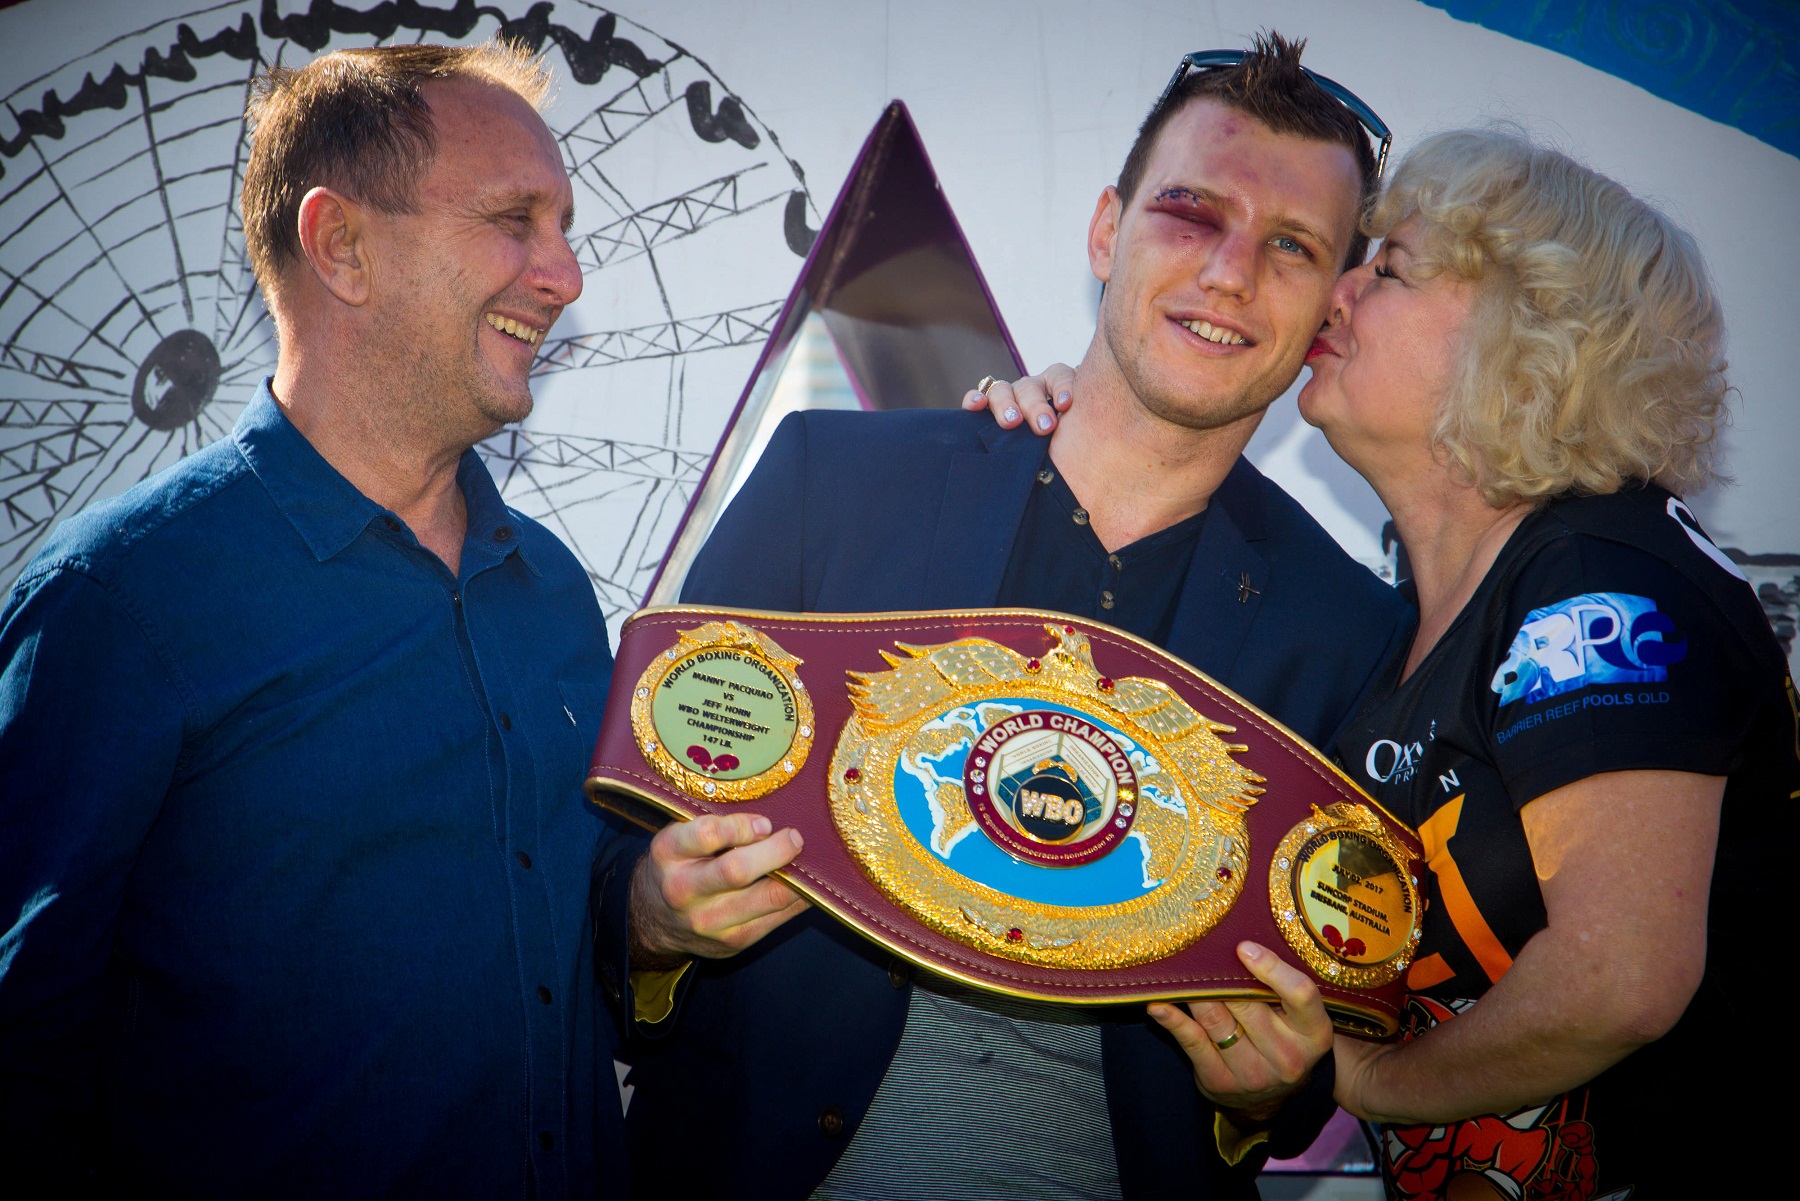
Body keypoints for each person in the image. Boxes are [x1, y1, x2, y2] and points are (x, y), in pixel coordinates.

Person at [606, 35, 1412, 1200]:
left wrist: (1270, 1092)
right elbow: (612, 857)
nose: (1232, 273)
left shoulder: (1348, 631)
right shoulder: (830, 477)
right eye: (1191, 212)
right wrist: (651, 918)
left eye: (1291, 245)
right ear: (1105, 230)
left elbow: (1303, 1055)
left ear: (1331, 304)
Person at [997, 129, 1796, 1197]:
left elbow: (1618, 978)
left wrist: (1370, 1080)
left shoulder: (1595, 584)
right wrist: (1073, 428)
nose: (1340, 287)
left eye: (1389, 267)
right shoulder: (1410, 619)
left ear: (1529, 331)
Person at [0, 42, 632, 1197]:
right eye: (514, 220)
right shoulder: (124, 598)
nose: (565, 274)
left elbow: (570, 939)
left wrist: (662, 919)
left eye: (565, 226)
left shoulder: (550, 586)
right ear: (340, 245)